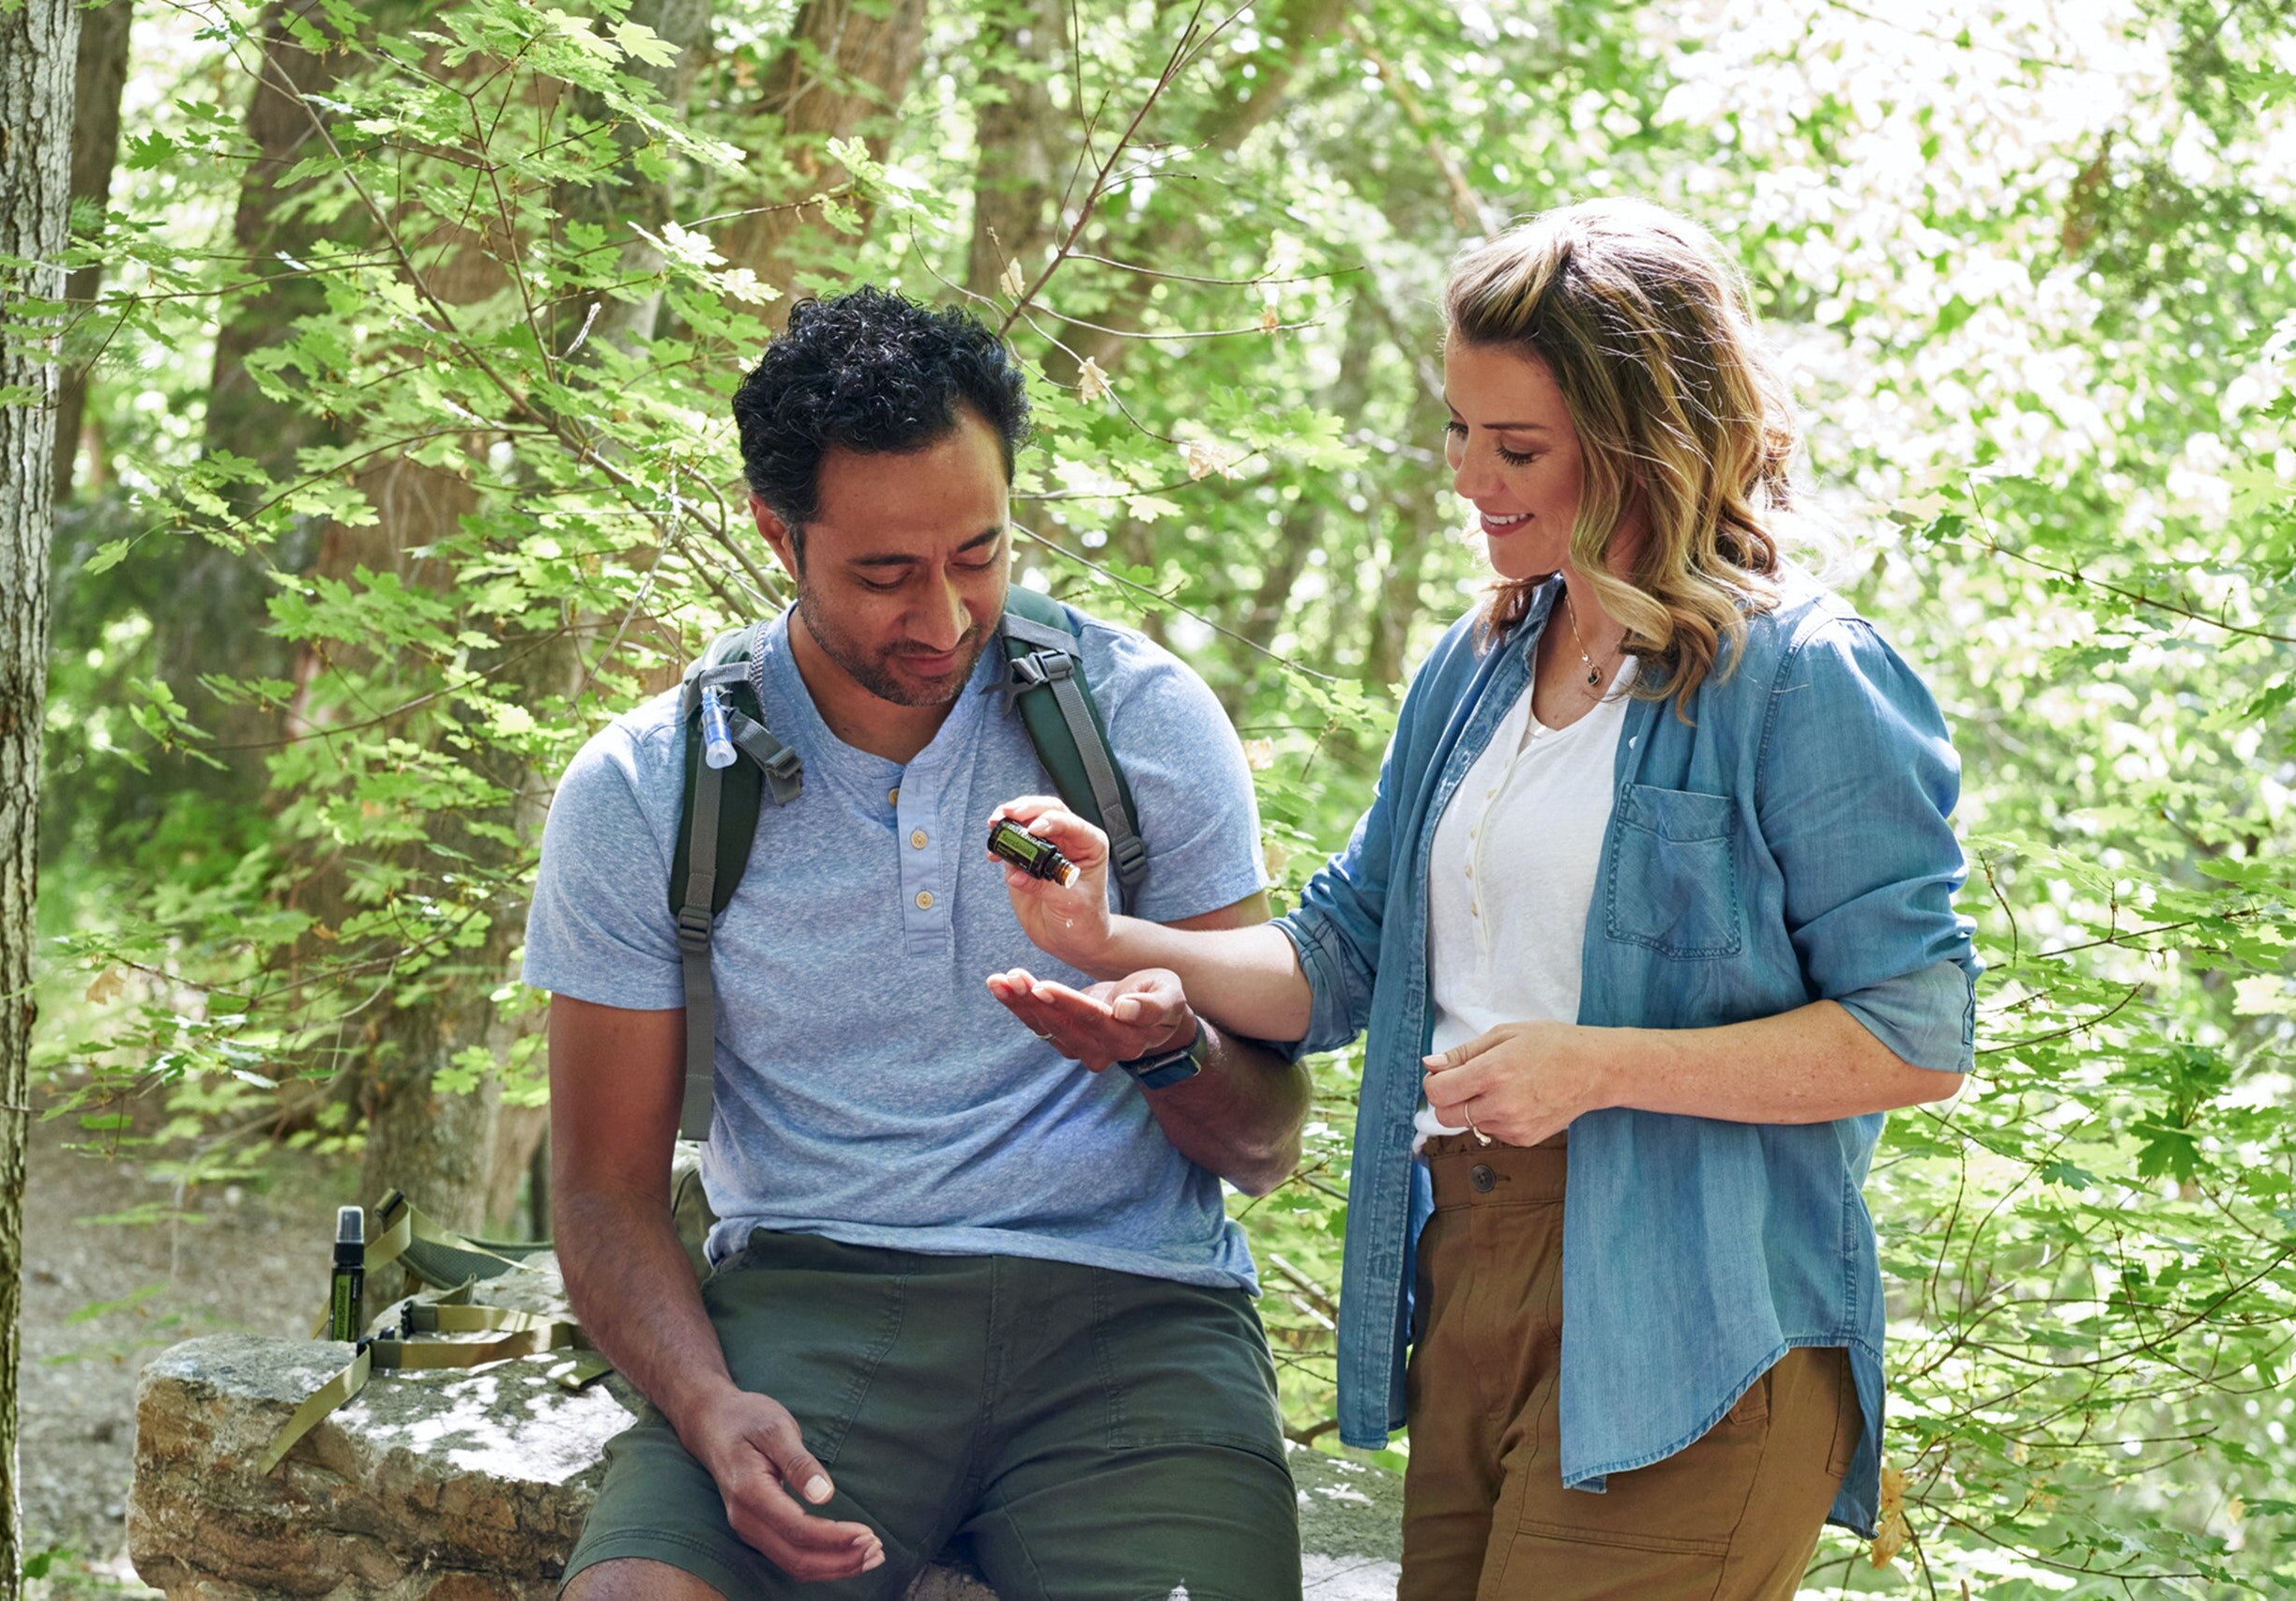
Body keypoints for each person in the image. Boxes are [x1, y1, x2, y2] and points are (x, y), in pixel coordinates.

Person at [988, 200, 1980, 1599]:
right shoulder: (1478, 665)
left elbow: (1917, 1034)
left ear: (1644, 440)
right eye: (1460, 430)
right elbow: (1342, 956)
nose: (1468, 477)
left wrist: (1595, 1067)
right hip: (1468, 1285)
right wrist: (1111, 934)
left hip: (1697, 1317)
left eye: (1517, 448)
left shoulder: (1800, 675)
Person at [523, 287, 1312, 1601]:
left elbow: (1268, 1143)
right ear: (778, 530)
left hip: (1136, 1319)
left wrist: (1170, 1046)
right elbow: (603, 1193)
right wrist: (708, 1403)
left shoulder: (1145, 725)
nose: (945, 618)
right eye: (885, 574)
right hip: (811, 1303)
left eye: (980, 554)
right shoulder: (648, 789)